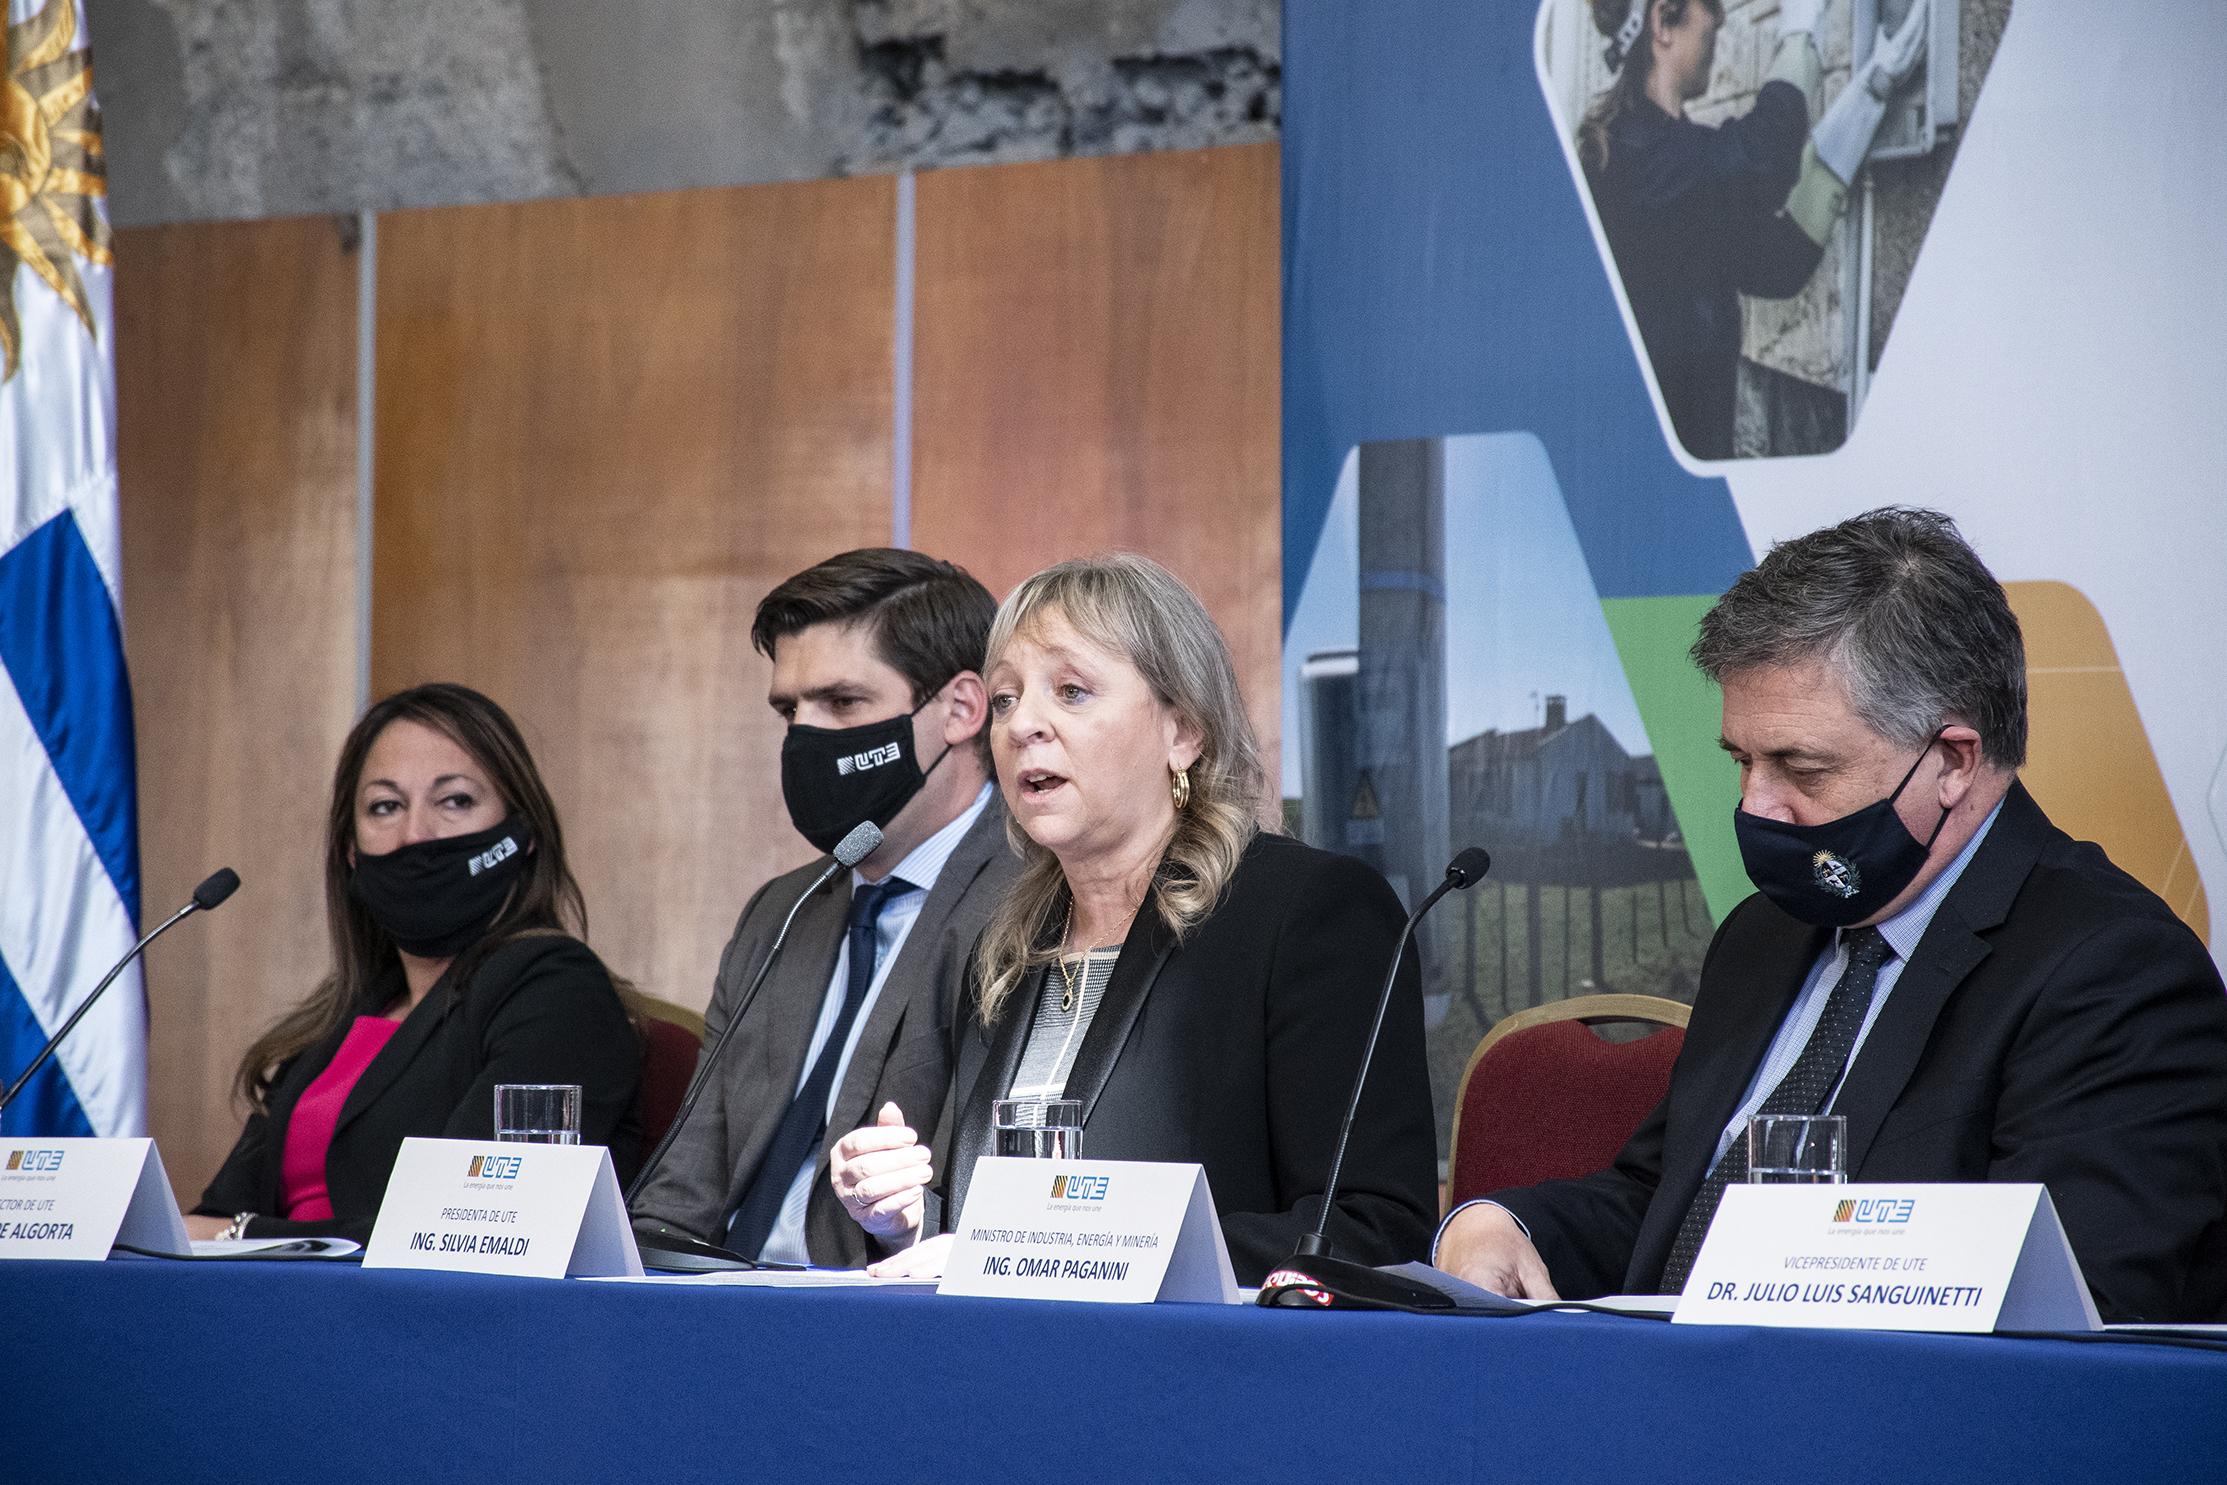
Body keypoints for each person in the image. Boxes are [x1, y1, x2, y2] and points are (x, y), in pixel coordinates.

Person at [1434, 508, 2227, 1323]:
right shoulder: (1762, 936)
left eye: (1799, 765)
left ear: (1951, 759)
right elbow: (1668, 1204)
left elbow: (2072, 1318)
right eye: (1741, 760)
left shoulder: (2111, 969)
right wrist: (1500, 1222)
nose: (1756, 806)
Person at [828, 553, 1439, 1286]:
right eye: (1003, 699)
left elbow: (1370, 1227)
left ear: (1181, 732)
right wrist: (908, 1218)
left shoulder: (1309, 913)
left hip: (1206, 1377)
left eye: (1072, 691)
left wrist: (1065, 1256)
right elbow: (996, 1235)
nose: (1023, 724)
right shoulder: (1004, 945)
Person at [628, 548, 1021, 1268]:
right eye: (789, 709)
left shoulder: (1034, 903)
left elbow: (1009, 1204)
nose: (804, 736)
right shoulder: (782, 910)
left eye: (842, 703)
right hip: (716, 1307)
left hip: (882, 1320)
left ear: (962, 708)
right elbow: (682, 1182)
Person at [190, 683, 641, 1243]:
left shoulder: (554, 990)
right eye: (386, 806)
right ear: (352, 851)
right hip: (276, 1310)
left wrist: (246, 1234)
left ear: (521, 835)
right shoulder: (339, 1024)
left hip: (423, 1319)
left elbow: (471, 1225)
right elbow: (211, 1218)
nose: (416, 835)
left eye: (455, 801)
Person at [1579, 0, 1929, 459]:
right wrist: (1801, 28)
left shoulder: (1667, 171)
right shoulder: (1629, 160)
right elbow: (1764, 155)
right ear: (1663, 21)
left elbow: (1780, 261)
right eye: (1710, 4)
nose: (1722, 17)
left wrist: (1872, 91)